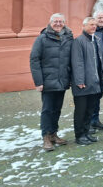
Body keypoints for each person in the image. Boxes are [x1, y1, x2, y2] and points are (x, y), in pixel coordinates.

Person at [30, 13, 73, 151]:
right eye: (55, 21)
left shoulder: (68, 37)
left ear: (64, 23)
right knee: (47, 110)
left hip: (62, 80)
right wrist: (38, 82)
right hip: (48, 81)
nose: (58, 24)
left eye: (61, 21)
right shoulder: (42, 39)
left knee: (57, 109)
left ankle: (54, 134)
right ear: (50, 23)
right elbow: (34, 60)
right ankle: (46, 137)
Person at [71, 17, 103, 145]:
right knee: (81, 111)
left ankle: (86, 133)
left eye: (95, 25)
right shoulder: (78, 41)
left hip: (95, 82)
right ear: (84, 26)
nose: (93, 26)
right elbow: (77, 62)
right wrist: (80, 80)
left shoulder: (96, 40)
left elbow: (101, 60)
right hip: (83, 84)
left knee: (89, 110)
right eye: (91, 24)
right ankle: (79, 135)